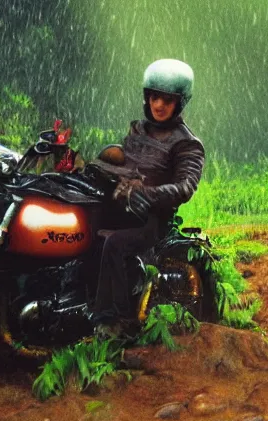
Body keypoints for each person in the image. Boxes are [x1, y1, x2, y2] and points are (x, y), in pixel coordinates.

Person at [91, 58, 205, 339]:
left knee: (116, 244)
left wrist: (148, 195)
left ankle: (116, 320)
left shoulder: (187, 143)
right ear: (147, 97)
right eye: (155, 97)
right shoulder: (138, 131)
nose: (160, 105)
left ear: (180, 102)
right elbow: (123, 167)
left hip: (152, 219)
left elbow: (186, 186)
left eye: (168, 99)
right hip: (122, 208)